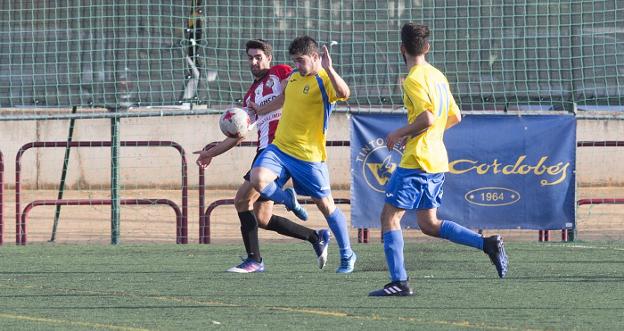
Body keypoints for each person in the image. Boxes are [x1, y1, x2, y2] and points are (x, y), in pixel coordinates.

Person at [368, 23, 509, 296]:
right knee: (428, 224)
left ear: (402, 49)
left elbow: (428, 117)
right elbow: (454, 116)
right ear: (427, 47)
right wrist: (426, 132)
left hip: (417, 160)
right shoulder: (437, 75)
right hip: (436, 158)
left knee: (389, 217)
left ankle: (399, 282)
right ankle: (488, 244)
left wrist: (400, 133)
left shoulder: (412, 79)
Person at [195, 39, 330, 273]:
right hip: (263, 151)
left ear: (268, 57)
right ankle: (315, 237)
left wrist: (264, 109)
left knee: (242, 200)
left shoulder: (281, 72)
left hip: (280, 149)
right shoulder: (249, 97)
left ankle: (255, 260)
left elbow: (290, 94)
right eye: (250, 58)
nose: (254, 62)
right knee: (263, 218)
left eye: (259, 57)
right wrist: (211, 153)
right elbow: (239, 135)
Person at [249, 36, 357, 273]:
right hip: (279, 148)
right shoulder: (295, 78)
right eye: (295, 61)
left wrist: (329, 69)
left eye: (301, 60)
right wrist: (260, 110)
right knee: (257, 179)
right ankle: (288, 199)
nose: (297, 66)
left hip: (308, 156)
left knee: (326, 206)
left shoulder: (324, 79)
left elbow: (344, 92)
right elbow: (282, 99)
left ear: (315, 57)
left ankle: (347, 254)